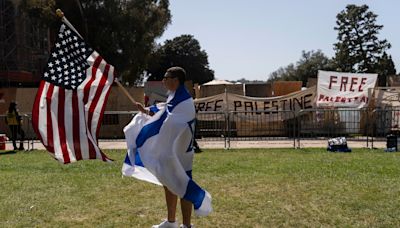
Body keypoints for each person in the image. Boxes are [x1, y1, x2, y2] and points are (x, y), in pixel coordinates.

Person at [132, 67, 211, 228]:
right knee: (169, 182)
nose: (163, 80)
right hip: (172, 151)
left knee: (182, 184)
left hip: (181, 153)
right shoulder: (175, 97)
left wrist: (150, 126)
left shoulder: (185, 101)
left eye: (166, 77)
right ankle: (171, 222)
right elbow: (164, 110)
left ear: (175, 80)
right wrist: (146, 111)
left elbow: (168, 120)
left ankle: (187, 224)